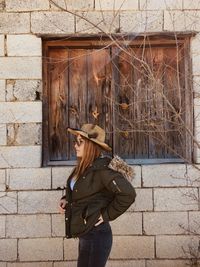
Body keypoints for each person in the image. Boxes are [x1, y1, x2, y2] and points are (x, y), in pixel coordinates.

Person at [59, 124, 136, 267]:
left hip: (98, 235)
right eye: (75, 142)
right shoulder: (84, 167)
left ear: (90, 145)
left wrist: (106, 215)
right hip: (86, 233)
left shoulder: (103, 170)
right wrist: (65, 200)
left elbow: (128, 194)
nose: (75, 145)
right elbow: (82, 191)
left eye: (79, 142)